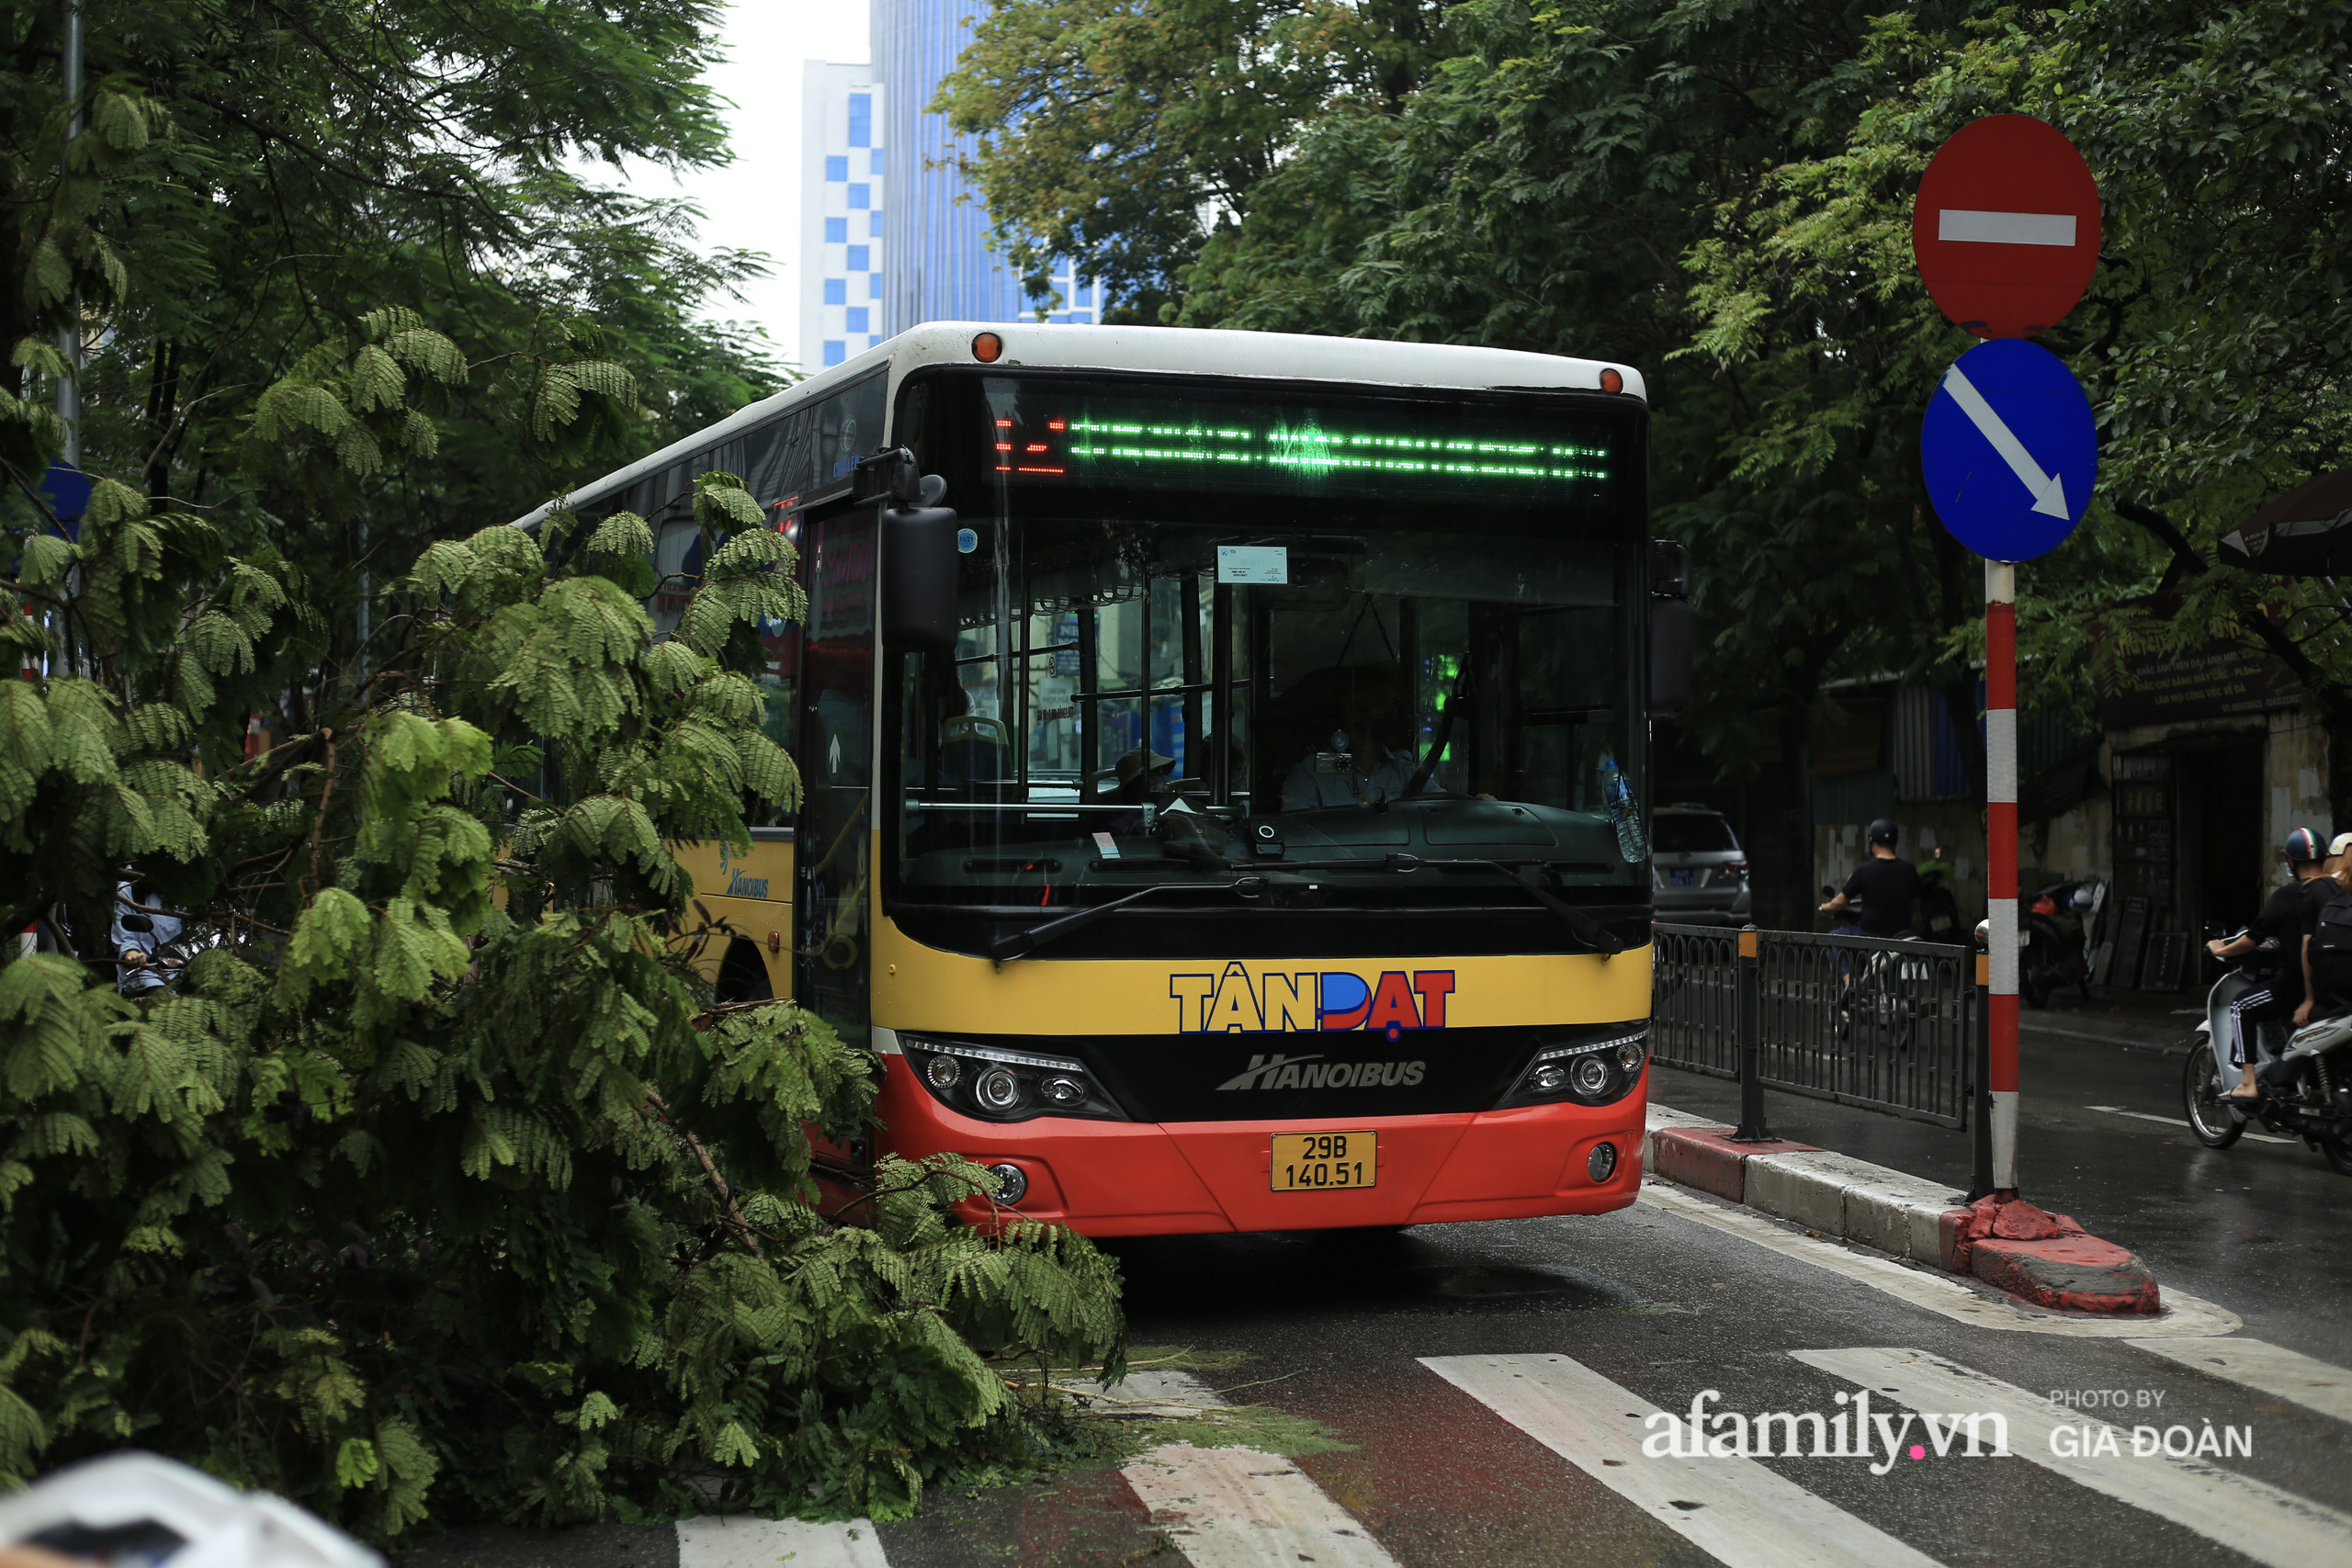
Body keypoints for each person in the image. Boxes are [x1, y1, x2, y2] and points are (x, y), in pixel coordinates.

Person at [2207, 828, 2332, 1100]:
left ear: (2291, 862)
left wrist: (2222, 948)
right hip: (2332, 986)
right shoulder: (2336, 891)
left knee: (2241, 1005)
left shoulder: (2289, 896)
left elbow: (2252, 939)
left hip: (2297, 987)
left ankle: (2248, 1083)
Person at [1817, 818, 1919, 938]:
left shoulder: (1864, 870)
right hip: (1902, 934)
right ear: (1895, 842)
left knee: (1832, 938)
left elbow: (1841, 902)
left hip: (1870, 934)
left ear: (1871, 840)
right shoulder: (1910, 870)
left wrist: (1827, 907)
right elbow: (1915, 905)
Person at [109, 878, 182, 998]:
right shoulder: (131, 889)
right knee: (162, 1001)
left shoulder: (186, 890)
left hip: (180, 968)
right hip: (146, 972)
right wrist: (132, 953)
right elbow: (125, 936)